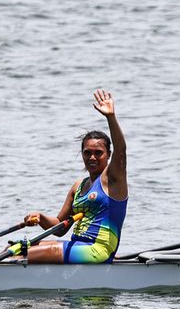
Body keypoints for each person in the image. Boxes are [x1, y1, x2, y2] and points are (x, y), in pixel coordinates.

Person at [21, 89, 128, 263]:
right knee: (21, 247)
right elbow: (59, 227)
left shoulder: (114, 180)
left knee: (22, 255)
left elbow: (121, 151)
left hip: (98, 250)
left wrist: (111, 117)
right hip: (77, 246)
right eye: (87, 153)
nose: (92, 157)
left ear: (108, 155)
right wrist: (40, 217)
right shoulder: (78, 186)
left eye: (98, 153)